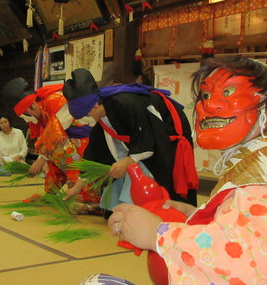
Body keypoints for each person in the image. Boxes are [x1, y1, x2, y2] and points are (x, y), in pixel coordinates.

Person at [74, 57, 267, 285]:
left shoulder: (264, 182)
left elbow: (251, 271)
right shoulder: (261, 164)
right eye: (205, 96)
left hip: (158, 153)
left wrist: (159, 234)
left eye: (229, 92)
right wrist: (197, 217)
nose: (211, 106)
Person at [62, 68, 198, 216]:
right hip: (147, 139)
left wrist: (126, 162)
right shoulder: (102, 116)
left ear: (95, 105)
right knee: (111, 209)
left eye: (85, 115)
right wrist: (77, 187)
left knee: (161, 178)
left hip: (166, 133)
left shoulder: (126, 103)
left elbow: (148, 138)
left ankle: (167, 210)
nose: (85, 122)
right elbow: (95, 151)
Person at [2, 78, 101, 208]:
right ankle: (51, 194)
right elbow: (50, 139)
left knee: (68, 159)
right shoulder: (41, 110)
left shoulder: (54, 100)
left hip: (83, 141)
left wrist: (41, 159)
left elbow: (56, 136)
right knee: (54, 161)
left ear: (31, 106)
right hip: (65, 142)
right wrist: (43, 158)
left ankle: (85, 199)